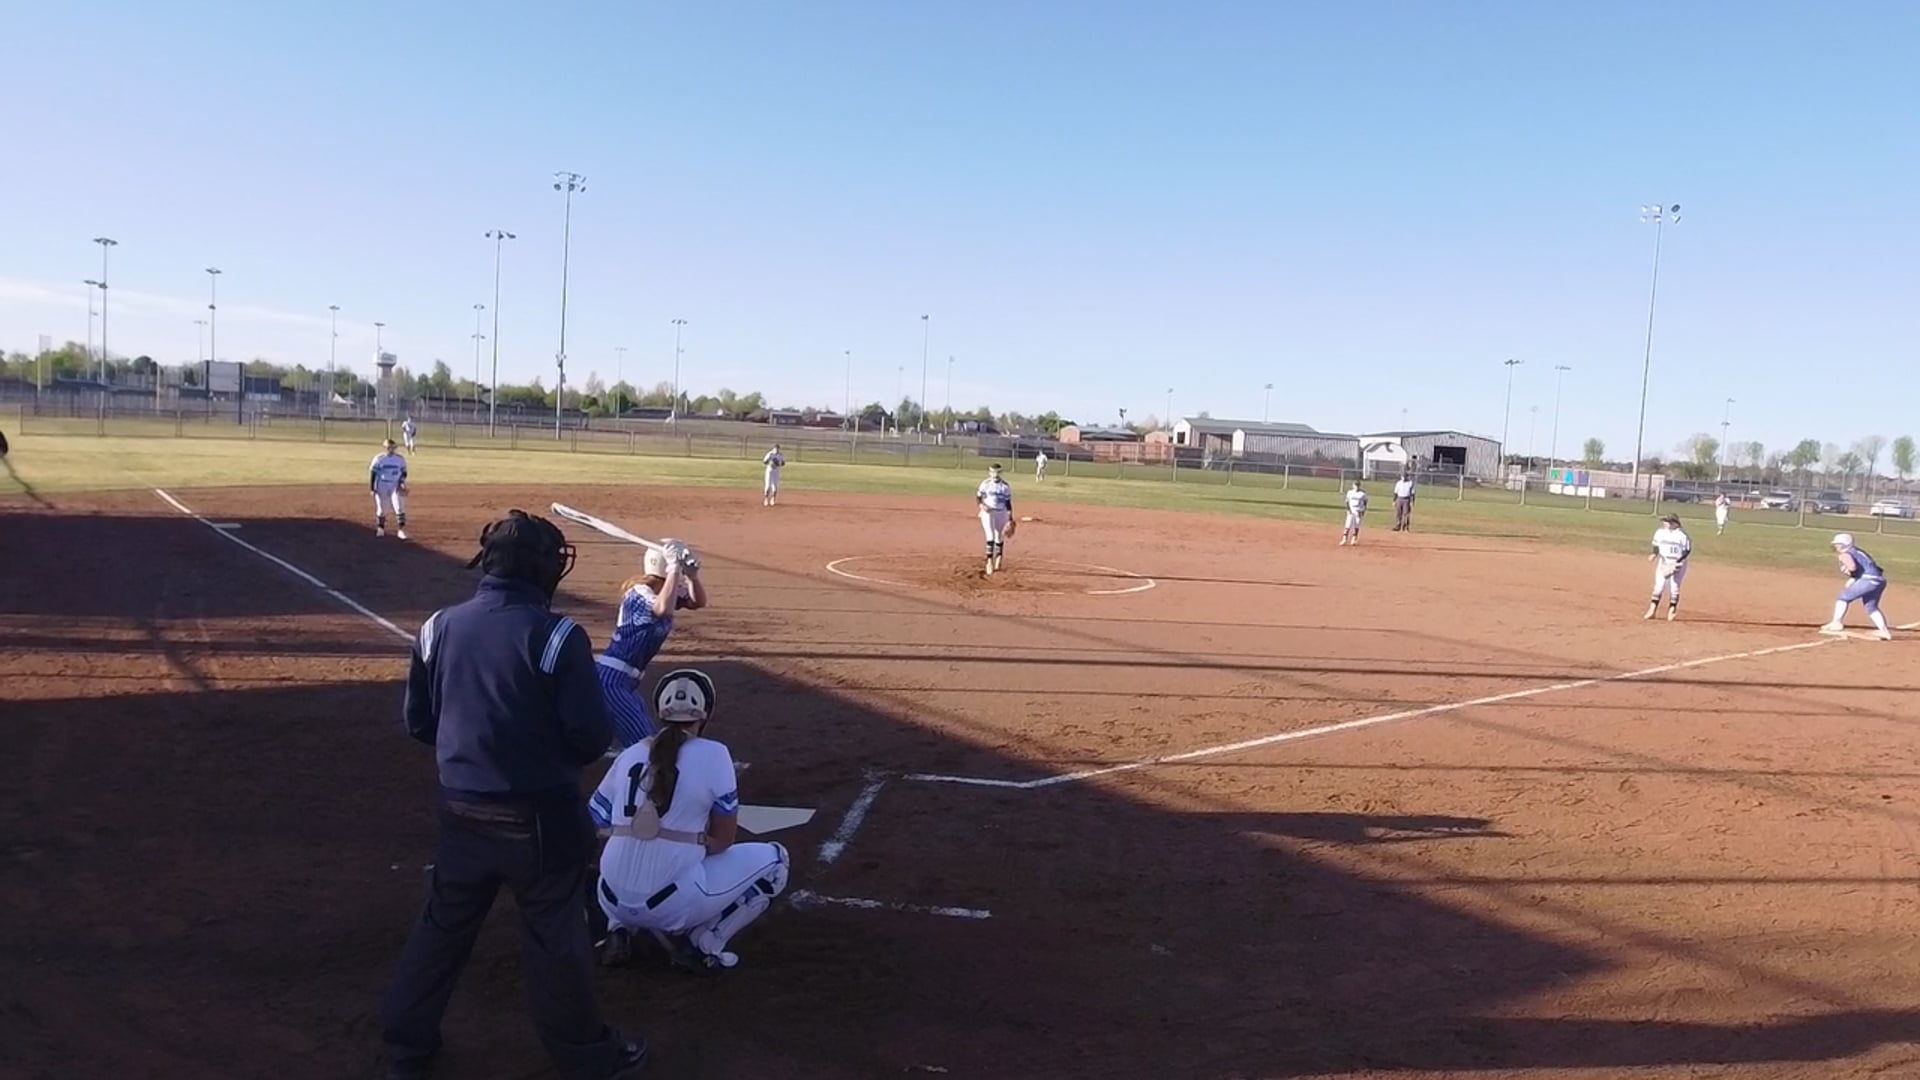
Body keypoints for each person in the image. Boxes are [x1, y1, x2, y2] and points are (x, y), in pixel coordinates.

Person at [380, 510, 646, 1080]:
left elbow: (420, 723)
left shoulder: (437, 626)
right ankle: (585, 1056)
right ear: (542, 569)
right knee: (555, 936)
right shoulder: (558, 636)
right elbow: (589, 737)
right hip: (541, 819)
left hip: (460, 811)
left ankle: (406, 1047)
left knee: (441, 927)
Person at [592, 669, 789, 973]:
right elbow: (723, 841)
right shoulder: (715, 754)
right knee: (777, 861)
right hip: (673, 905)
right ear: (704, 713)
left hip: (609, 897)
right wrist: (684, 845)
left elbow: (593, 821)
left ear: (660, 710)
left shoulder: (630, 754)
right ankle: (705, 943)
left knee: (627, 855)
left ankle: (618, 929)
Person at [598, 541, 709, 749]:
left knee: (647, 736)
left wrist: (692, 577)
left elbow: (697, 602)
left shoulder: (665, 590)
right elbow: (662, 609)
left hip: (626, 682)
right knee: (646, 745)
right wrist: (674, 568)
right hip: (611, 681)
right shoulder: (638, 592)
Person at [1821, 533, 1893, 640]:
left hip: (1868, 580)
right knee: (1871, 607)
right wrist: (1854, 578)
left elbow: (1852, 567)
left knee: (1843, 598)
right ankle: (1884, 631)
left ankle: (1837, 622)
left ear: (1845, 544)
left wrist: (1851, 575)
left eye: (1838, 544)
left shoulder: (1845, 554)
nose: (1836, 546)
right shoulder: (1859, 552)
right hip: (1879, 580)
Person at [1645, 513, 1692, 621]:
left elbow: (1687, 550)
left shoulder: (1682, 535)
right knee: (1659, 586)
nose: (1666, 523)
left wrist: (1677, 562)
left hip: (1678, 563)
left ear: (1675, 523)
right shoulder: (1660, 533)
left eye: (1668, 521)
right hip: (1664, 562)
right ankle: (1652, 610)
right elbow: (1656, 546)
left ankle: (1672, 611)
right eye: (1665, 521)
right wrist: (1654, 554)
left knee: (1674, 586)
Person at [976, 462, 1016, 574]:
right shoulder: (985, 484)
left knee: (999, 536)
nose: (995, 474)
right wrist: (982, 506)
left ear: (1001, 473)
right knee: (990, 536)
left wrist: (1010, 518)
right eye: (993, 472)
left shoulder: (1005, 486)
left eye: (998, 472)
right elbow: (978, 498)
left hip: (1001, 512)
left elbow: (1008, 503)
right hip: (988, 512)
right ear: (989, 473)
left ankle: (998, 558)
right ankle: (989, 561)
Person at [371, 438, 410, 540]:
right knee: (382, 509)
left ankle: (401, 530)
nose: (391, 450)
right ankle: (380, 528)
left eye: (392, 448)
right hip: (382, 484)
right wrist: (372, 488)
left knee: (399, 507)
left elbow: (404, 472)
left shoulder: (400, 459)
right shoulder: (379, 458)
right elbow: (373, 473)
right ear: (385, 448)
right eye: (388, 448)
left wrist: (401, 482)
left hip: (395, 484)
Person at [1340, 481, 1368, 546]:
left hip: (1358, 510)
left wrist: (1363, 511)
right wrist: (1348, 509)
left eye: (1358, 485)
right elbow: (1347, 502)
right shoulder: (1350, 492)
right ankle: (1344, 539)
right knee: (1348, 525)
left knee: (1356, 525)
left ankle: (1354, 539)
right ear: (1353, 486)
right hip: (1351, 510)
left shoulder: (1362, 494)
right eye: (1355, 485)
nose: (1356, 487)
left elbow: (1365, 502)